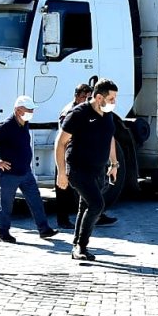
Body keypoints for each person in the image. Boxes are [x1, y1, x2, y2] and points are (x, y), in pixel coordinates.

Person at [55, 78, 121, 261]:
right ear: (99, 97)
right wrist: (61, 172)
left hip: (98, 170)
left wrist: (114, 164)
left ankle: (77, 246)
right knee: (96, 204)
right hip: (77, 169)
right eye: (112, 98)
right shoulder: (78, 114)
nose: (114, 102)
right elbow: (60, 143)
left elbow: (110, 138)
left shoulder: (107, 114)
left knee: (85, 206)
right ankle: (81, 246)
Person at [0, 96, 56, 243]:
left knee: (36, 200)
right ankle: (3, 233)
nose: (31, 112)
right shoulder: (8, 125)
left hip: (25, 172)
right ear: (18, 110)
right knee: (6, 204)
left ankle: (44, 229)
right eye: (28, 109)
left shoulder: (24, 122)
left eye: (32, 109)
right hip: (9, 174)